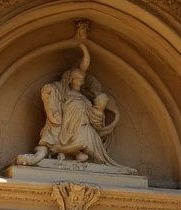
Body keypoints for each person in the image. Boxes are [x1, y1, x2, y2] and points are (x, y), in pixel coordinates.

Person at [13, 22, 129, 169]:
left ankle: (74, 152)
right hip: (65, 129)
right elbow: (81, 67)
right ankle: (64, 151)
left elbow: (94, 116)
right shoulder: (63, 90)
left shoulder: (84, 98)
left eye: (82, 80)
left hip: (80, 128)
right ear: (71, 79)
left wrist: (99, 109)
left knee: (88, 134)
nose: (80, 82)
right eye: (78, 79)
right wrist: (81, 43)